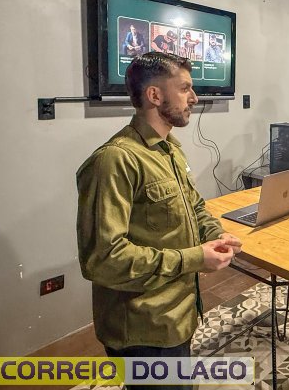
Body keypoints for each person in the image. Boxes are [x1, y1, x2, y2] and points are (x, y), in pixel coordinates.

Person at [76, 52, 242, 389]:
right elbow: (103, 259)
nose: (194, 98)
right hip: (143, 326)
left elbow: (194, 206)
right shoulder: (115, 160)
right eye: (184, 88)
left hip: (177, 313)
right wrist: (195, 258)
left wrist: (216, 233)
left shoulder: (170, 149)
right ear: (154, 95)